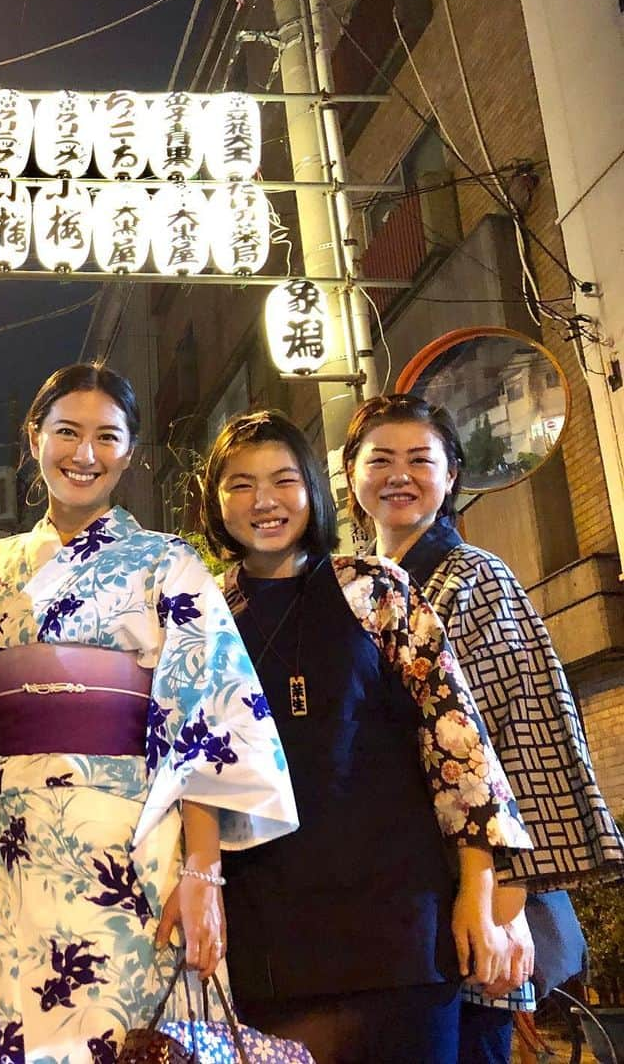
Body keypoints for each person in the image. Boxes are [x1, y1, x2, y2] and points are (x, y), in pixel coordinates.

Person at [0, 364, 300, 1064]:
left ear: (129, 451)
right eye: (67, 432)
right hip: (3, 841)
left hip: (123, 837)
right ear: (33, 438)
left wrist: (202, 873)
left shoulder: (166, 562)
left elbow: (204, 720)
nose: (85, 454)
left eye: (106, 437)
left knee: (130, 1037)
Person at [200, 409, 533, 1064]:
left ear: (315, 491)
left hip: (400, 932)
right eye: (240, 483)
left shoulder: (374, 588)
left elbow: (458, 746)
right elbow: (190, 772)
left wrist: (479, 892)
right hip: (267, 940)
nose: (264, 500)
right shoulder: (204, 611)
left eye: (283, 479)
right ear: (214, 499)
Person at [343, 393, 624, 1064]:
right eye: (379, 459)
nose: (399, 475)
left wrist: (508, 900)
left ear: (451, 475)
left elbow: (524, 733)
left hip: (477, 886)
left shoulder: (477, 577)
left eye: (420, 459)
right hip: (397, 885)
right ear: (351, 476)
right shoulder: (361, 588)